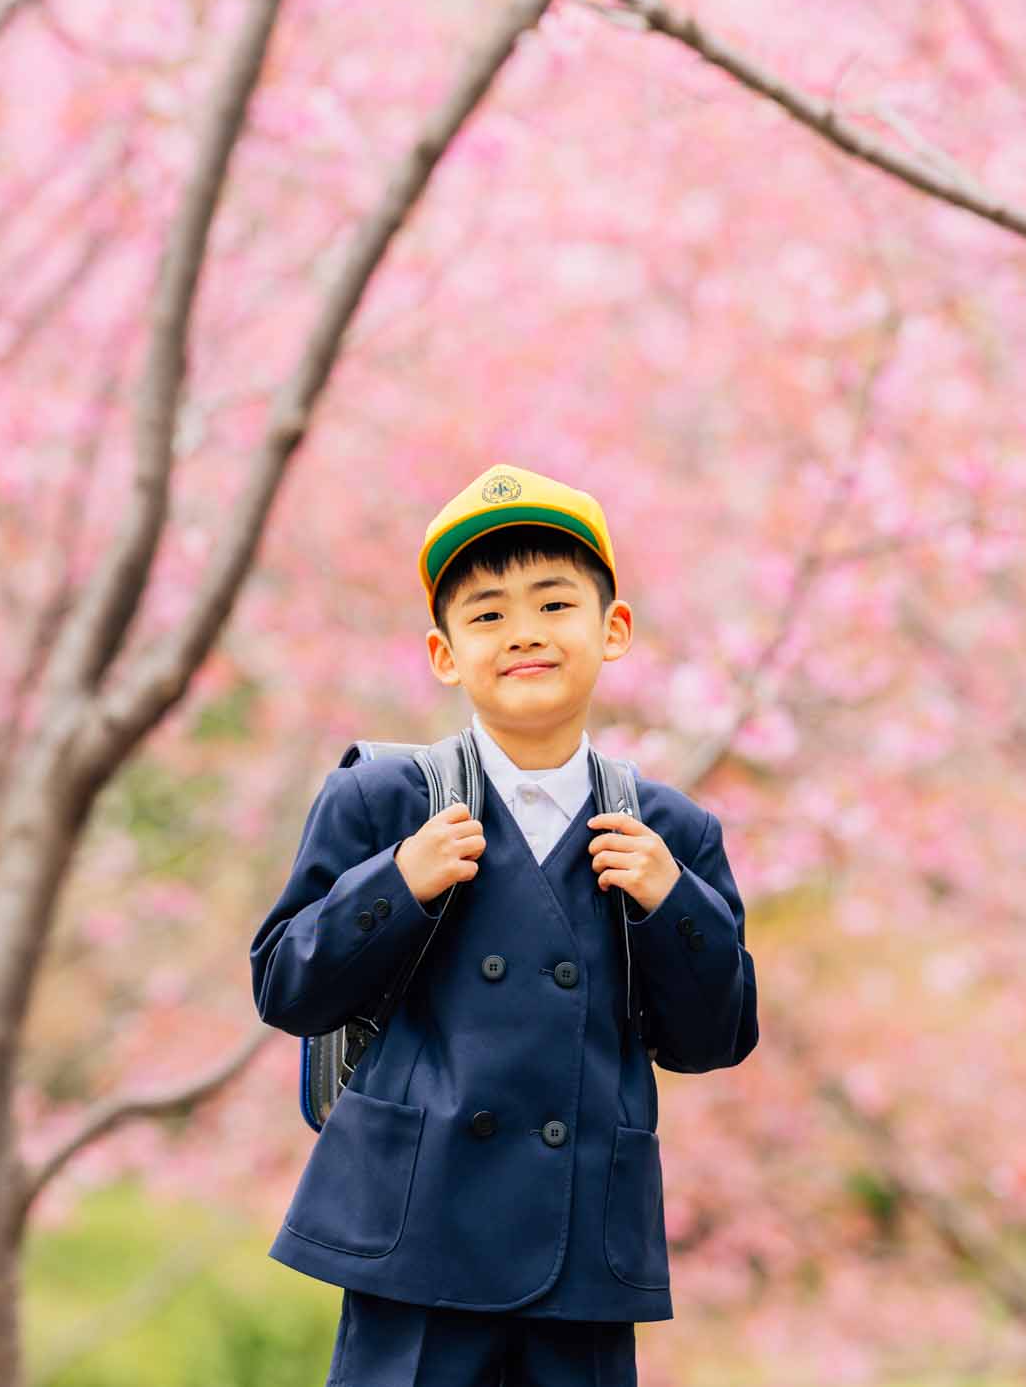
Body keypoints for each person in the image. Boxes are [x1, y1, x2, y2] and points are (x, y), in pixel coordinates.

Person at [249, 462, 760, 1387]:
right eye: (486, 614)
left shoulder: (669, 831)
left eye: (553, 604)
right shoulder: (382, 798)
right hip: (412, 1249)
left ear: (614, 630)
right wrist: (396, 885)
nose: (522, 633)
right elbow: (286, 985)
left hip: (583, 1260)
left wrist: (671, 899)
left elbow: (713, 1038)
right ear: (444, 653)